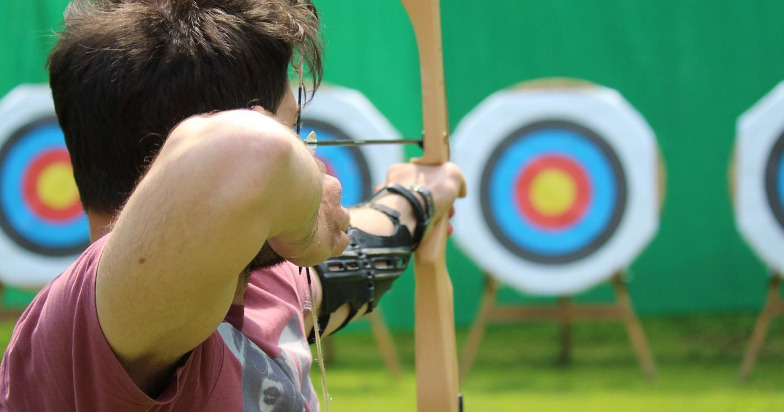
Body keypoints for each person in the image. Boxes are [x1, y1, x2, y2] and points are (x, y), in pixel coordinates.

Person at [0, 0, 466, 411]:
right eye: (294, 131)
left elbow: (349, 265)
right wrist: (308, 220)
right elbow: (247, 153)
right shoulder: (89, 337)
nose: (312, 158)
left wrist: (417, 199)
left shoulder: (257, 286)